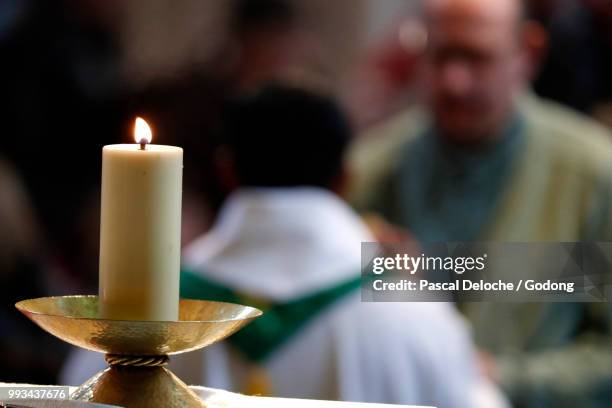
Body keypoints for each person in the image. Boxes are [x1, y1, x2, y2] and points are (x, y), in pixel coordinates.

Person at [62, 85, 506, 407]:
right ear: (345, 177)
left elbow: (79, 396)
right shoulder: (418, 314)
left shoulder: (137, 315)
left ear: (226, 171)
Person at [348, 0, 612, 406]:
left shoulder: (592, 179)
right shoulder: (368, 176)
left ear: (529, 52)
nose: (455, 81)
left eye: (477, 57)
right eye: (440, 56)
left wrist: (502, 379)